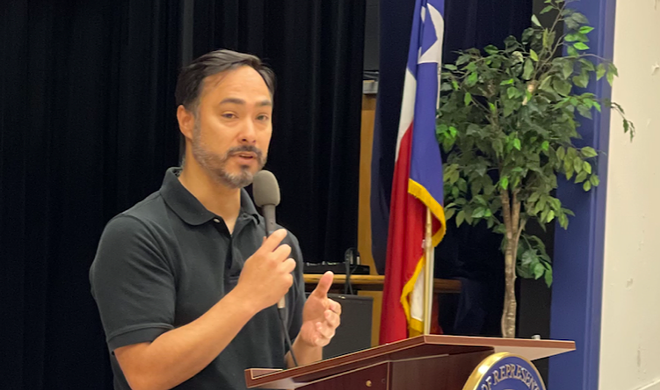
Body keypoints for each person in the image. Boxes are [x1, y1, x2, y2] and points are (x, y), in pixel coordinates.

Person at [90, 49, 341, 390]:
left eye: (262, 117)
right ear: (187, 121)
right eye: (230, 114)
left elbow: (286, 375)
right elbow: (145, 375)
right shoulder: (137, 234)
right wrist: (245, 297)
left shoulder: (278, 244)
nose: (250, 134)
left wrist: (309, 343)